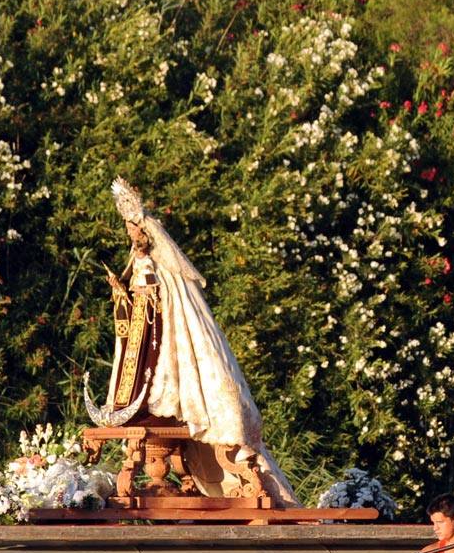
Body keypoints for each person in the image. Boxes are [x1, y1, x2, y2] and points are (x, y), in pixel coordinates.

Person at [86, 178, 297, 505]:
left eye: (133, 229)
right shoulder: (137, 257)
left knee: (166, 373)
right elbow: (134, 280)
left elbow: (164, 292)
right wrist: (122, 289)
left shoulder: (160, 262)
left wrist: (147, 296)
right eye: (128, 230)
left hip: (156, 323)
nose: (131, 235)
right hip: (143, 326)